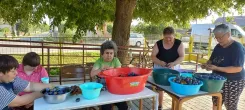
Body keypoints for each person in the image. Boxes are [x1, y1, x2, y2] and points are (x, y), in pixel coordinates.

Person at [201, 24, 245, 110]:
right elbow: (211, 61)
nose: (218, 40)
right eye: (216, 38)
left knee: (230, 106)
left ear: (228, 34)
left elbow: (237, 68)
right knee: (216, 102)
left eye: (220, 38)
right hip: (217, 80)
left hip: (234, 81)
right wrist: (207, 65)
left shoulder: (237, 48)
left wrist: (216, 68)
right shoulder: (218, 47)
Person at [151, 27, 185, 109]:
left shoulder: (179, 43)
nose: (168, 39)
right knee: (160, 87)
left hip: (174, 67)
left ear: (174, 35)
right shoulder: (158, 43)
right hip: (159, 67)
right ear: (163, 36)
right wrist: (160, 62)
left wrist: (174, 63)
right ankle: (160, 105)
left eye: (170, 37)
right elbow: (153, 56)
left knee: (174, 87)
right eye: (166, 37)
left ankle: (175, 106)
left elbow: (182, 56)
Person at [90, 41, 128, 110]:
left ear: (114, 54)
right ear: (102, 54)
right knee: (106, 107)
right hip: (103, 88)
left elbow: (120, 73)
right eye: (107, 53)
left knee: (124, 106)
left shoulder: (116, 60)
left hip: (115, 87)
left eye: (111, 53)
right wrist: (100, 69)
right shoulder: (99, 61)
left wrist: (111, 70)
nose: (109, 55)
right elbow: (92, 74)